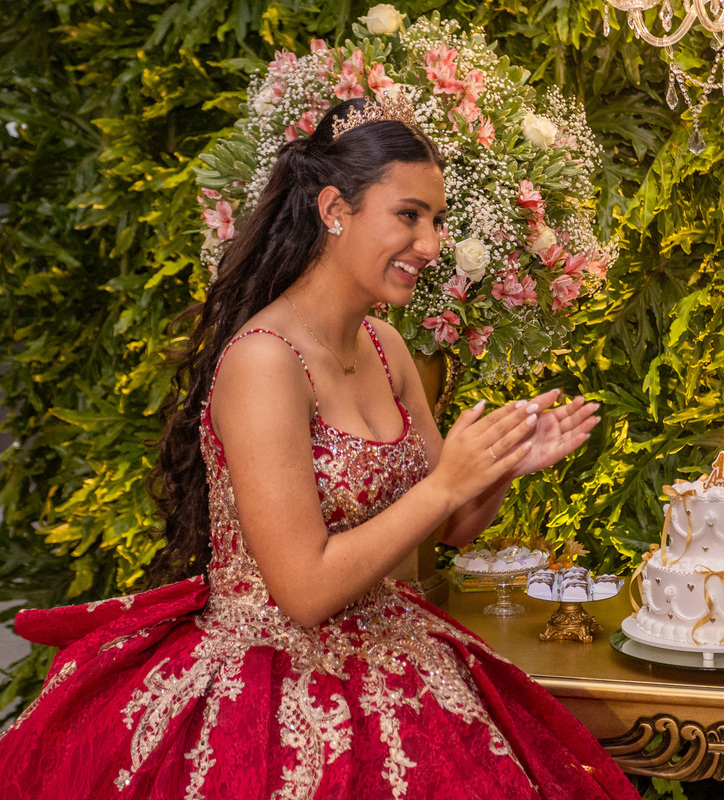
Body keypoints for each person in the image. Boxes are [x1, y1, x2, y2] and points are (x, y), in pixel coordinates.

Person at [0, 95, 640, 799]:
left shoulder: (385, 345)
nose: (431, 245)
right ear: (334, 208)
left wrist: (501, 466)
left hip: (398, 647)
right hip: (268, 681)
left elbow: (452, 525)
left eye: (437, 221)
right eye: (409, 215)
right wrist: (447, 483)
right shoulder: (264, 362)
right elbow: (303, 592)